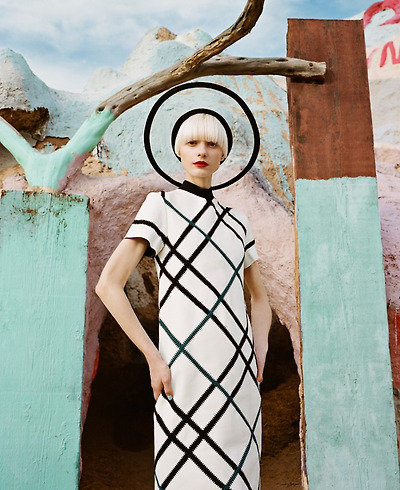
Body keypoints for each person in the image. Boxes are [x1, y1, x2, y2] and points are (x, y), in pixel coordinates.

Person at [96, 112, 272, 489]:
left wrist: (260, 349)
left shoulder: (238, 221)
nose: (201, 151)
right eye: (192, 143)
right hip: (182, 367)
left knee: (239, 474)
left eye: (211, 144)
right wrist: (153, 357)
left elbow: (260, 298)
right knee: (183, 472)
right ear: (178, 151)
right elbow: (108, 285)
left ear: (223, 154)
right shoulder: (160, 206)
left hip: (238, 369)